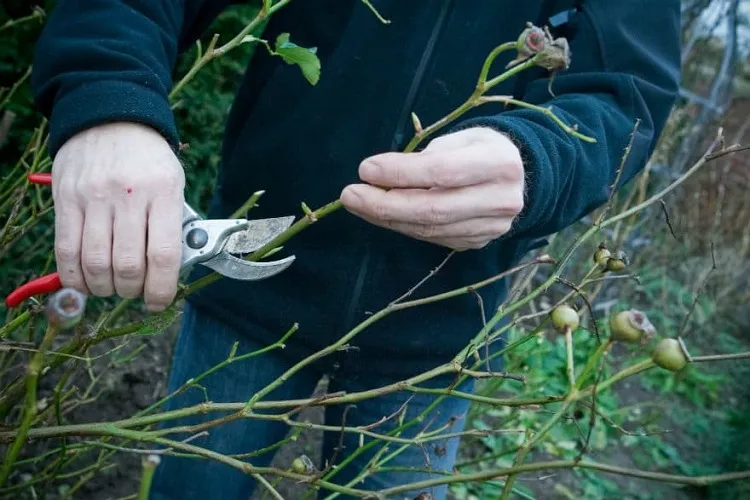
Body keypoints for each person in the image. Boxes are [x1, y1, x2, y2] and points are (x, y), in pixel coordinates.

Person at [30, 1, 681, 498]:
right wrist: (109, 93)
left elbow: (627, 93)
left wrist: (538, 159)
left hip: (438, 328)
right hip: (248, 295)